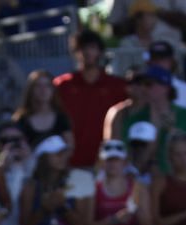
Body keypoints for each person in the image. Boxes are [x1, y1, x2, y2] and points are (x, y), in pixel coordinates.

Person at [55, 30, 131, 170]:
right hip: (71, 161)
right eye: (82, 48)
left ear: (100, 51)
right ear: (75, 52)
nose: (87, 53)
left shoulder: (117, 86)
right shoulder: (62, 86)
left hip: (107, 162)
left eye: (92, 47)